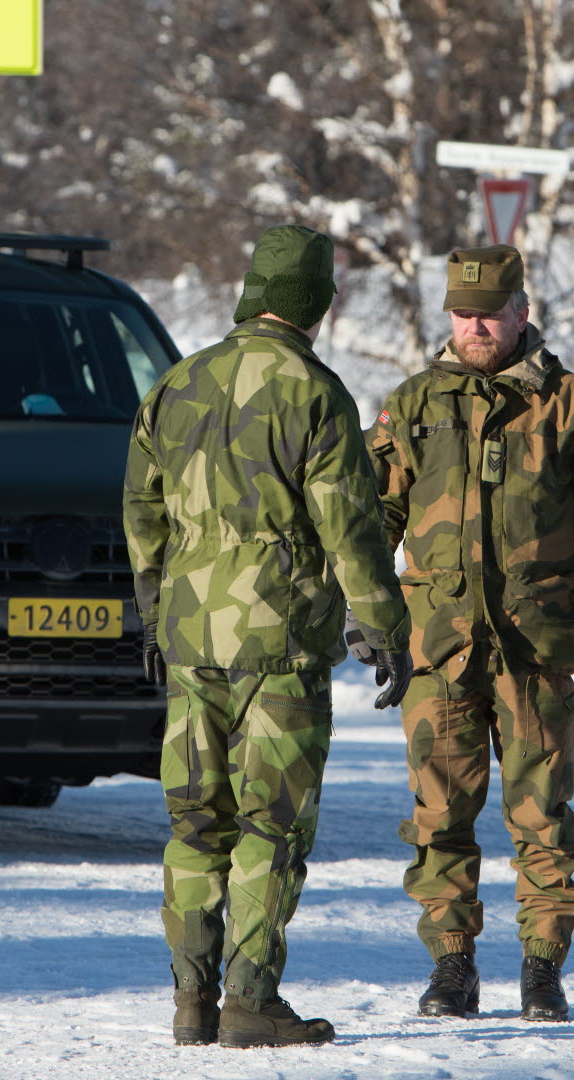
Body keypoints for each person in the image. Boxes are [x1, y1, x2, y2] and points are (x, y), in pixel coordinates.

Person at [123, 224, 411, 1049]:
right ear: (316, 301)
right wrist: (384, 625)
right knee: (270, 826)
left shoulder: (177, 385)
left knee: (194, 824)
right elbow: (350, 531)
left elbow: (141, 511)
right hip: (279, 646)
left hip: (188, 640)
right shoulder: (315, 393)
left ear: (253, 292)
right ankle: (250, 1001)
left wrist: (154, 611)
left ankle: (190, 1001)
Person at [365, 244, 574, 1022]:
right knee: (438, 819)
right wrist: (367, 611)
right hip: (439, 649)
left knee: (544, 818)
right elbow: (372, 516)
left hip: (536, 643)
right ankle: (451, 969)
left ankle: (542, 969)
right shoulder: (413, 404)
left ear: (523, 310)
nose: (475, 326)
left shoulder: (570, 403)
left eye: (489, 312)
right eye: (462, 313)